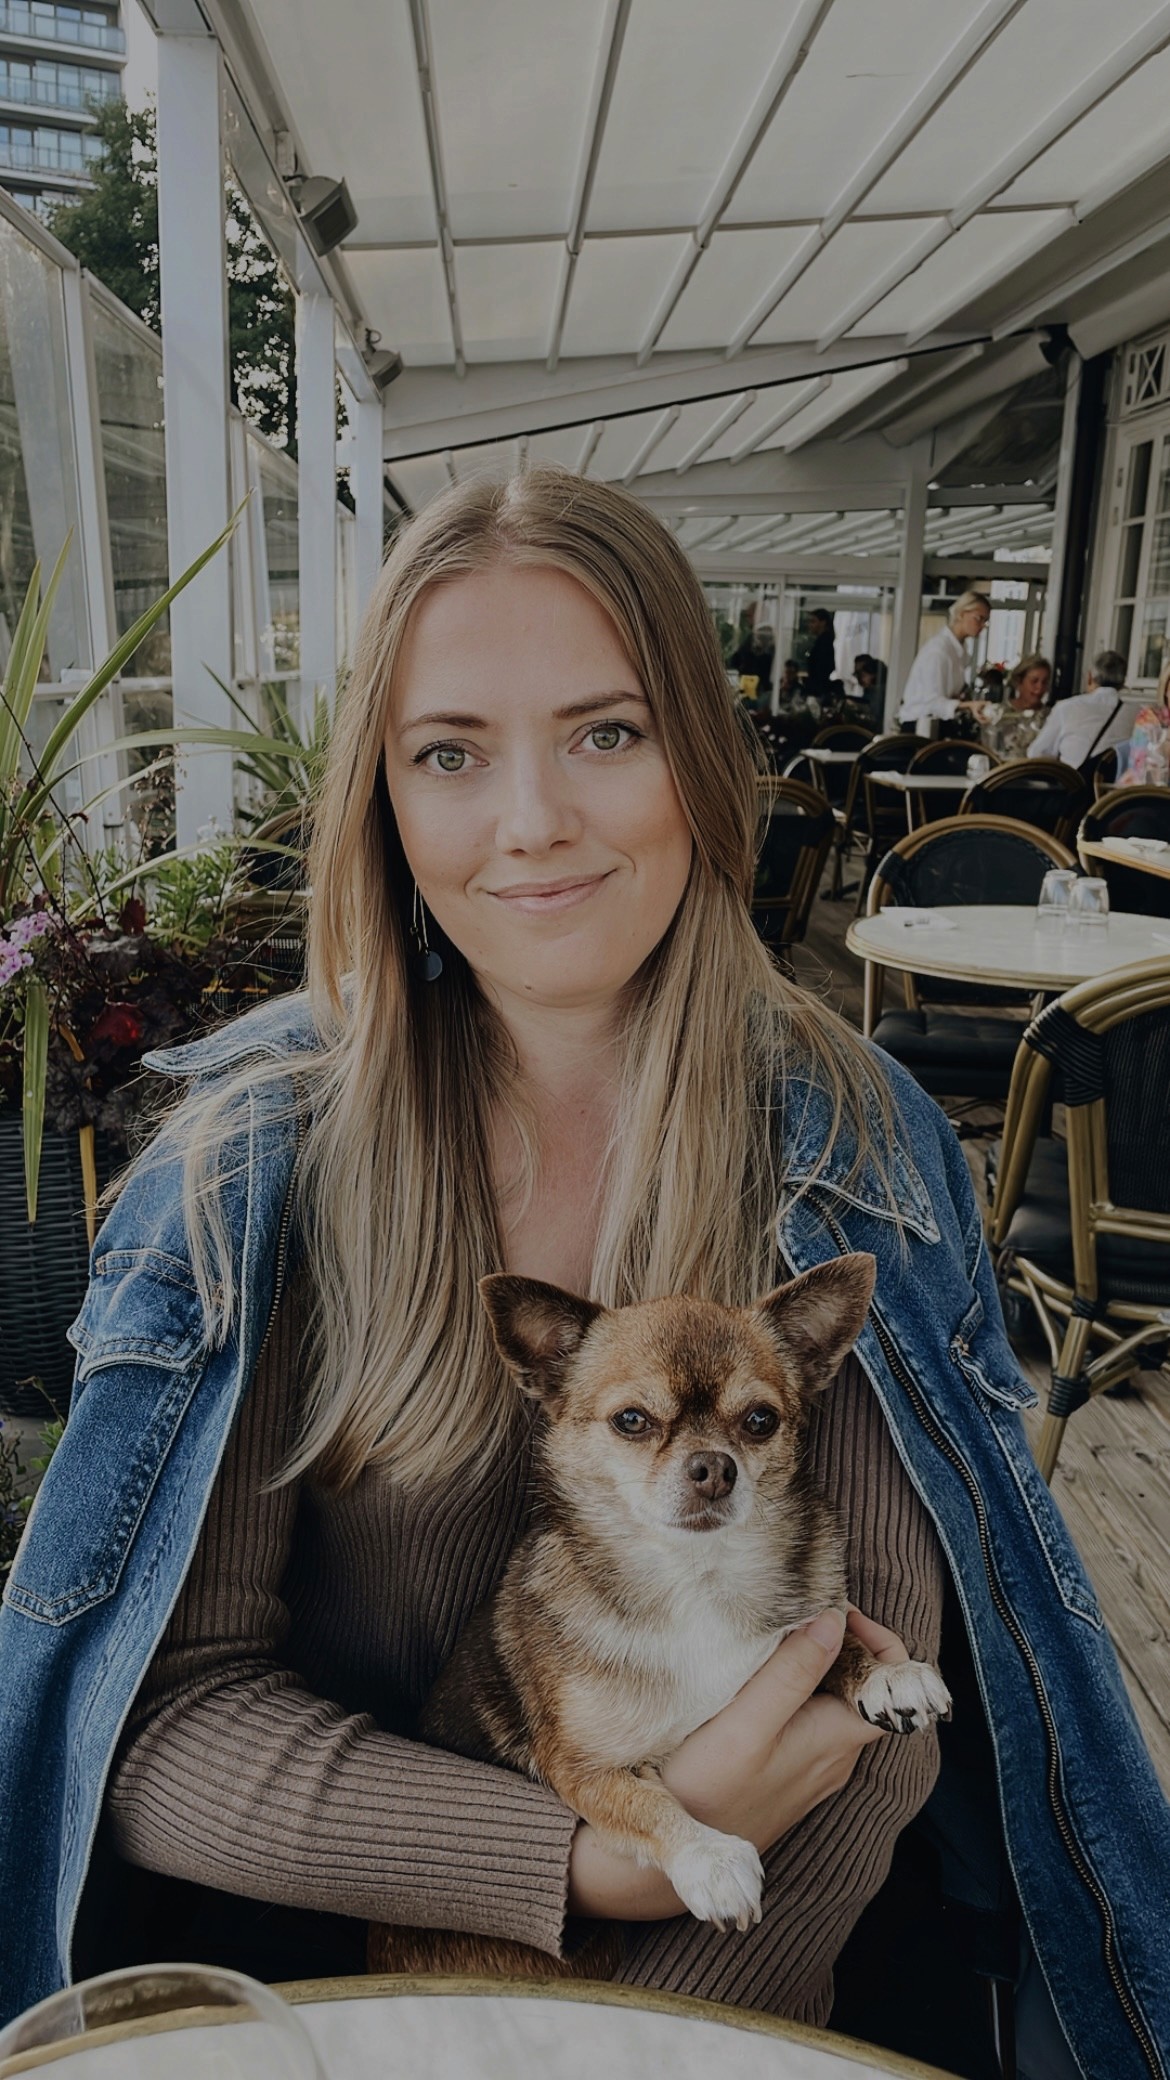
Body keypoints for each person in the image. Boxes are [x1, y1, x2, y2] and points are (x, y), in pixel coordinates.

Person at [1, 470, 1168, 2080]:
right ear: (384, 802)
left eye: (605, 733)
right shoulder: (255, 1162)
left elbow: (873, 1732)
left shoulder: (855, 1142)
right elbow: (165, 1720)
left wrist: (656, 2042)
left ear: (697, 750)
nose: (530, 820)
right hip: (327, 2015)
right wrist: (576, 1864)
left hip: (750, 2007)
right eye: (449, 753)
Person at [1027, 649, 1141, 771]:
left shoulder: (1066, 708)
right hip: (1117, 788)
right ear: (1123, 682)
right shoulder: (1139, 714)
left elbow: (1036, 753)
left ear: (1089, 678)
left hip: (1074, 785)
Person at [897, 591, 991, 737]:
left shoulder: (959, 650)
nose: (982, 625)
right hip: (919, 728)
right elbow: (932, 702)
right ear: (961, 614)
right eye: (979, 619)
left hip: (938, 725)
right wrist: (968, 705)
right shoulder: (939, 650)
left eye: (985, 621)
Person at [985, 652, 1051, 761]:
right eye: (1034, 681)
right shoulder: (998, 713)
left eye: (1044, 682)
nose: (1039, 688)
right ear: (1019, 681)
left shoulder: (1051, 717)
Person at [804, 608, 840, 708]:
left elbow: (823, 667)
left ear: (823, 623)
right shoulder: (823, 641)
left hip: (819, 689)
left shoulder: (824, 643)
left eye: (813, 621)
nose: (810, 625)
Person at [847, 654, 887, 732]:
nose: (860, 678)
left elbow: (874, 715)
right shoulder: (869, 690)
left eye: (862, 674)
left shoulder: (880, 691)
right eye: (858, 673)